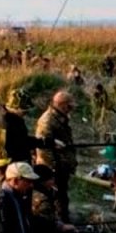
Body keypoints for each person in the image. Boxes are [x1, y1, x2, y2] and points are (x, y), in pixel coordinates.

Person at [0, 89, 54, 181]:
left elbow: (22, 140)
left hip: (21, 166)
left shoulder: (15, 119)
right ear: (15, 108)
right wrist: (8, 175)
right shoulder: (2, 126)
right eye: (24, 111)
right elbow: (0, 156)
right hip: (12, 173)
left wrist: (44, 142)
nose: (26, 114)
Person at [35, 91, 78, 223]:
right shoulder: (47, 121)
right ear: (62, 105)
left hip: (62, 165)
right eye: (69, 106)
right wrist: (53, 170)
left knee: (62, 196)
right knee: (54, 197)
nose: (71, 109)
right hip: (52, 167)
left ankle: (63, 221)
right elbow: (43, 148)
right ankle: (56, 224)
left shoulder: (60, 118)